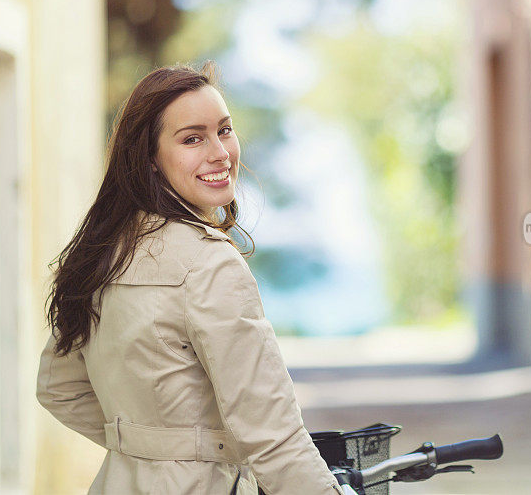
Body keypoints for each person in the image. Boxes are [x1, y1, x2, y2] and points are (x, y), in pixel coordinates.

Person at [36, 62, 344, 495]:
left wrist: (146, 446)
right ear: (150, 159)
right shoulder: (210, 265)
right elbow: (273, 436)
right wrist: (202, 452)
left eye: (225, 130)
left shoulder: (102, 254)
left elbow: (58, 389)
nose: (220, 152)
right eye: (192, 138)